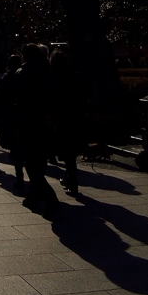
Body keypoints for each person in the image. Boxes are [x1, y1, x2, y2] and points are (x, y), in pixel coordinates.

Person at [15, 43, 60, 218]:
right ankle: (32, 196)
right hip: (44, 123)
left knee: (32, 166)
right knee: (39, 162)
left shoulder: (23, 73)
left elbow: (20, 99)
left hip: (28, 122)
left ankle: (51, 200)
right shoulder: (48, 71)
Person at [49, 48, 81, 197]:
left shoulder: (53, 78)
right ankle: (69, 179)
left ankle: (72, 182)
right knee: (71, 153)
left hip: (61, 118)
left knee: (67, 153)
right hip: (74, 117)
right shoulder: (74, 76)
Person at [0, 54, 23, 184]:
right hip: (23, 114)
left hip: (10, 114)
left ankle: (19, 176)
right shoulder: (26, 75)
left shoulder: (7, 78)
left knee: (15, 144)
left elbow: (1, 98)